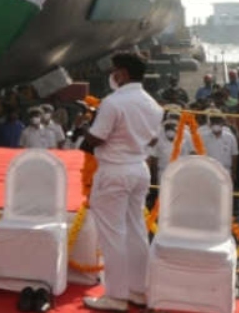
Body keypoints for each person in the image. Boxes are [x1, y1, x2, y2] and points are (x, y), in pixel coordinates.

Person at [82, 51, 163, 311]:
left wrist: (85, 129)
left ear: (123, 74)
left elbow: (96, 138)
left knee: (112, 235)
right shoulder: (153, 105)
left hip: (114, 171)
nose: (112, 75)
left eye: (115, 70)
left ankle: (115, 296)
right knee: (137, 231)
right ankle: (138, 291)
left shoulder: (113, 102)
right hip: (139, 169)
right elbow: (151, 140)